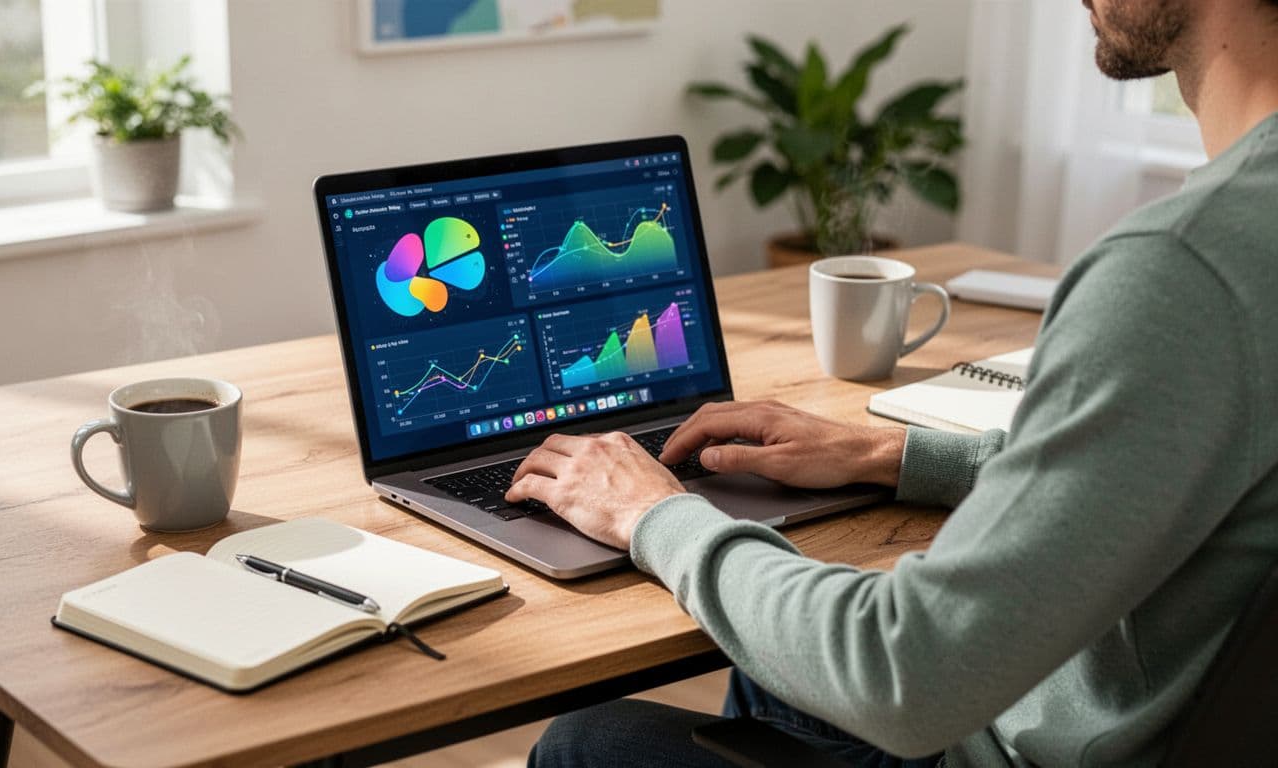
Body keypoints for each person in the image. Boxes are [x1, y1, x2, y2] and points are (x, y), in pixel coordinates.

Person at [512, 0, 1278, 765]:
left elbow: (904, 675)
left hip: (1016, 737)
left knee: (589, 742)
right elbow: (1156, 463)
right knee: (772, 671)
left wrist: (655, 515)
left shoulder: (1181, 270)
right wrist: (889, 455)